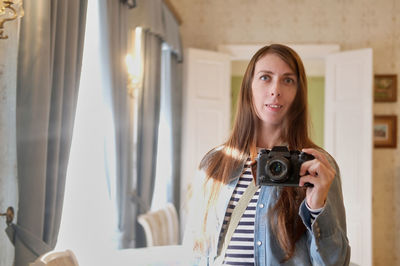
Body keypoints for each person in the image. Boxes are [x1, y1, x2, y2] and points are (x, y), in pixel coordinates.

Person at [183, 44, 350, 266]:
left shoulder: (316, 166)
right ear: (248, 87)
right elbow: (194, 250)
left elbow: (335, 263)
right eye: (265, 77)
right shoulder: (214, 164)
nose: (275, 90)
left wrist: (317, 207)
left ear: (298, 93)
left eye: (288, 80)